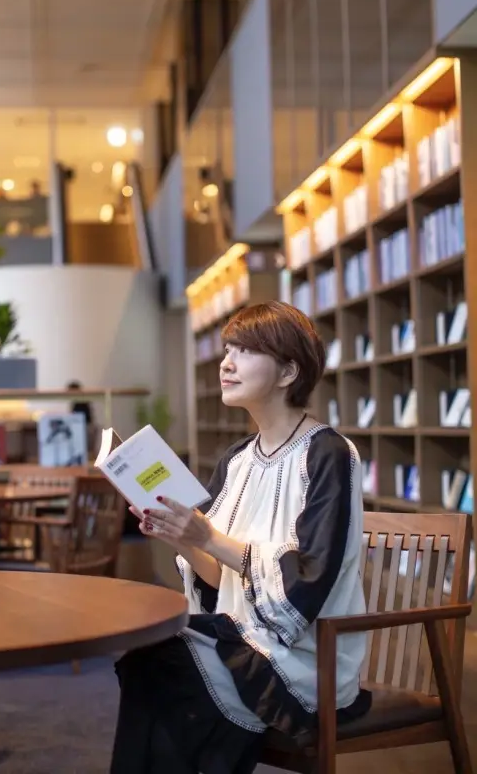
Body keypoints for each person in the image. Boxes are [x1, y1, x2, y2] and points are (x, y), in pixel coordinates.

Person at [110, 300, 371, 774]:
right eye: (228, 349)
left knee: (168, 669)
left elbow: (307, 582)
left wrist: (207, 536)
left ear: (289, 370)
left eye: (246, 351)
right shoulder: (237, 459)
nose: (226, 363)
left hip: (307, 656)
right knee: (150, 659)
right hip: (242, 637)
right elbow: (216, 579)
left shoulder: (328, 454)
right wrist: (184, 535)